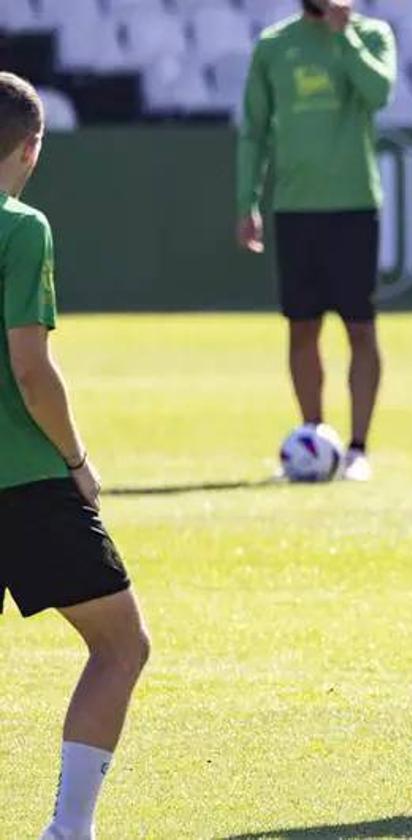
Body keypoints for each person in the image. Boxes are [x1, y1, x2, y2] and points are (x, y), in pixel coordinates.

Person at [0, 72, 151, 840]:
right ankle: (69, 829)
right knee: (121, 644)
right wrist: (77, 460)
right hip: (21, 480)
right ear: (31, 147)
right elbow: (31, 371)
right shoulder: (21, 227)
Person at [236, 0, 397, 481]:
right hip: (294, 206)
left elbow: (378, 93)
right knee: (302, 328)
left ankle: (358, 448)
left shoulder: (370, 35)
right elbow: (255, 129)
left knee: (360, 327)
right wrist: (247, 202)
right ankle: (312, 437)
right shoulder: (274, 46)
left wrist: (343, 35)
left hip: (353, 204)